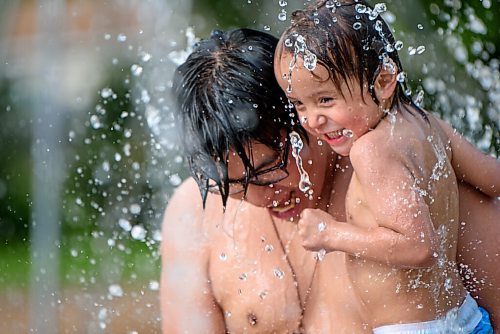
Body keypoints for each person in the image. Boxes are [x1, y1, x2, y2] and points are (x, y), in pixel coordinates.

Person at [161, 28, 500, 333]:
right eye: (234, 185)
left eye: (269, 170)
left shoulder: (406, 177)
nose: (260, 198)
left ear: (305, 113)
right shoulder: (194, 214)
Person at [273, 0, 499, 332]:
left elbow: (419, 246)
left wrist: (331, 233)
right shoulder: (426, 124)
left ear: (383, 81)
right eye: (298, 104)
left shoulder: (370, 150)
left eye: (325, 100)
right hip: (463, 316)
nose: (311, 120)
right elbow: (494, 179)